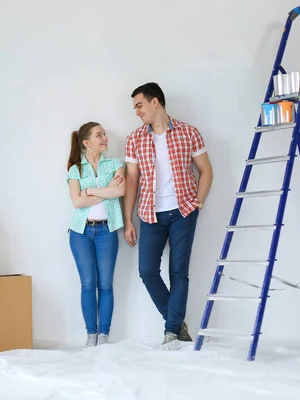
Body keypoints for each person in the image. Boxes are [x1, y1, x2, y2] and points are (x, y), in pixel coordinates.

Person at [123, 82, 213, 345]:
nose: (137, 111)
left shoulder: (189, 133)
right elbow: (131, 181)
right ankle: (176, 323)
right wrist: (128, 220)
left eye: (139, 105)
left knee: (179, 272)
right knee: (147, 271)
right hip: (150, 215)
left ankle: (171, 331)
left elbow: (206, 170)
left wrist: (199, 202)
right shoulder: (135, 139)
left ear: (155, 102)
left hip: (183, 211)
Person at [67, 121, 126, 348]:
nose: (105, 139)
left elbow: (120, 190)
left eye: (105, 135)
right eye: (99, 135)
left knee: (106, 284)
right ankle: (91, 334)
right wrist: (106, 192)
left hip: (106, 231)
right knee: (88, 284)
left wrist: (90, 190)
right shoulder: (75, 169)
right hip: (80, 232)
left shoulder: (114, 164)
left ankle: (104, 335)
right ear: (86, 142)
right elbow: (76, 202)